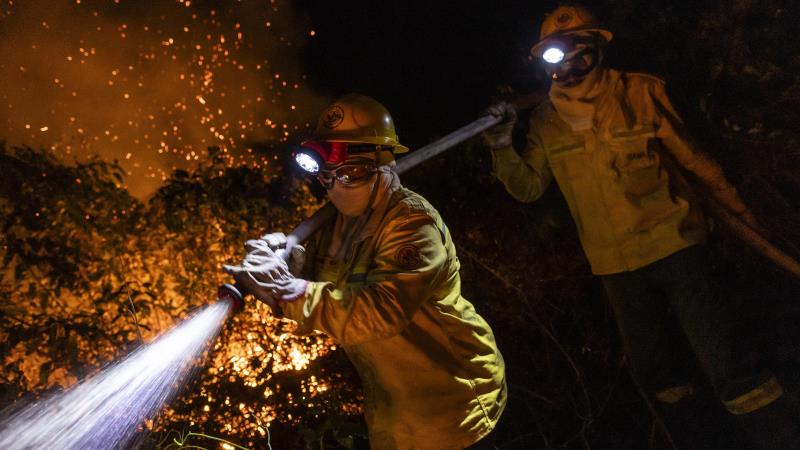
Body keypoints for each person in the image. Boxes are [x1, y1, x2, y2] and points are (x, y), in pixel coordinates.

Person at [482, 4, 798, 449]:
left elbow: (695, 162)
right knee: (660, 374)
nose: (567, 64)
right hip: (614, 266)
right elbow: (529, 187)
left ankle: (779, 436)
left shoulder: (639, 93)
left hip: (678, 244)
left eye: (576, 51)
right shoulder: (545, 120)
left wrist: (741, 215)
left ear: (595, 49)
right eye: (555, 55)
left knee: (727, 362)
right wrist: (501, 146)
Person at [225, 93, 507, 450]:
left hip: (454, 405)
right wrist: (292, 267)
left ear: (379, 163)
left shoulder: (411, 224)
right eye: (326, 176)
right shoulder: (334, 226)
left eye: (348, 173)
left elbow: (381, 312)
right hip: (394, 415)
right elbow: (328, 301)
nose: (335, 185)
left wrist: (287, 290)